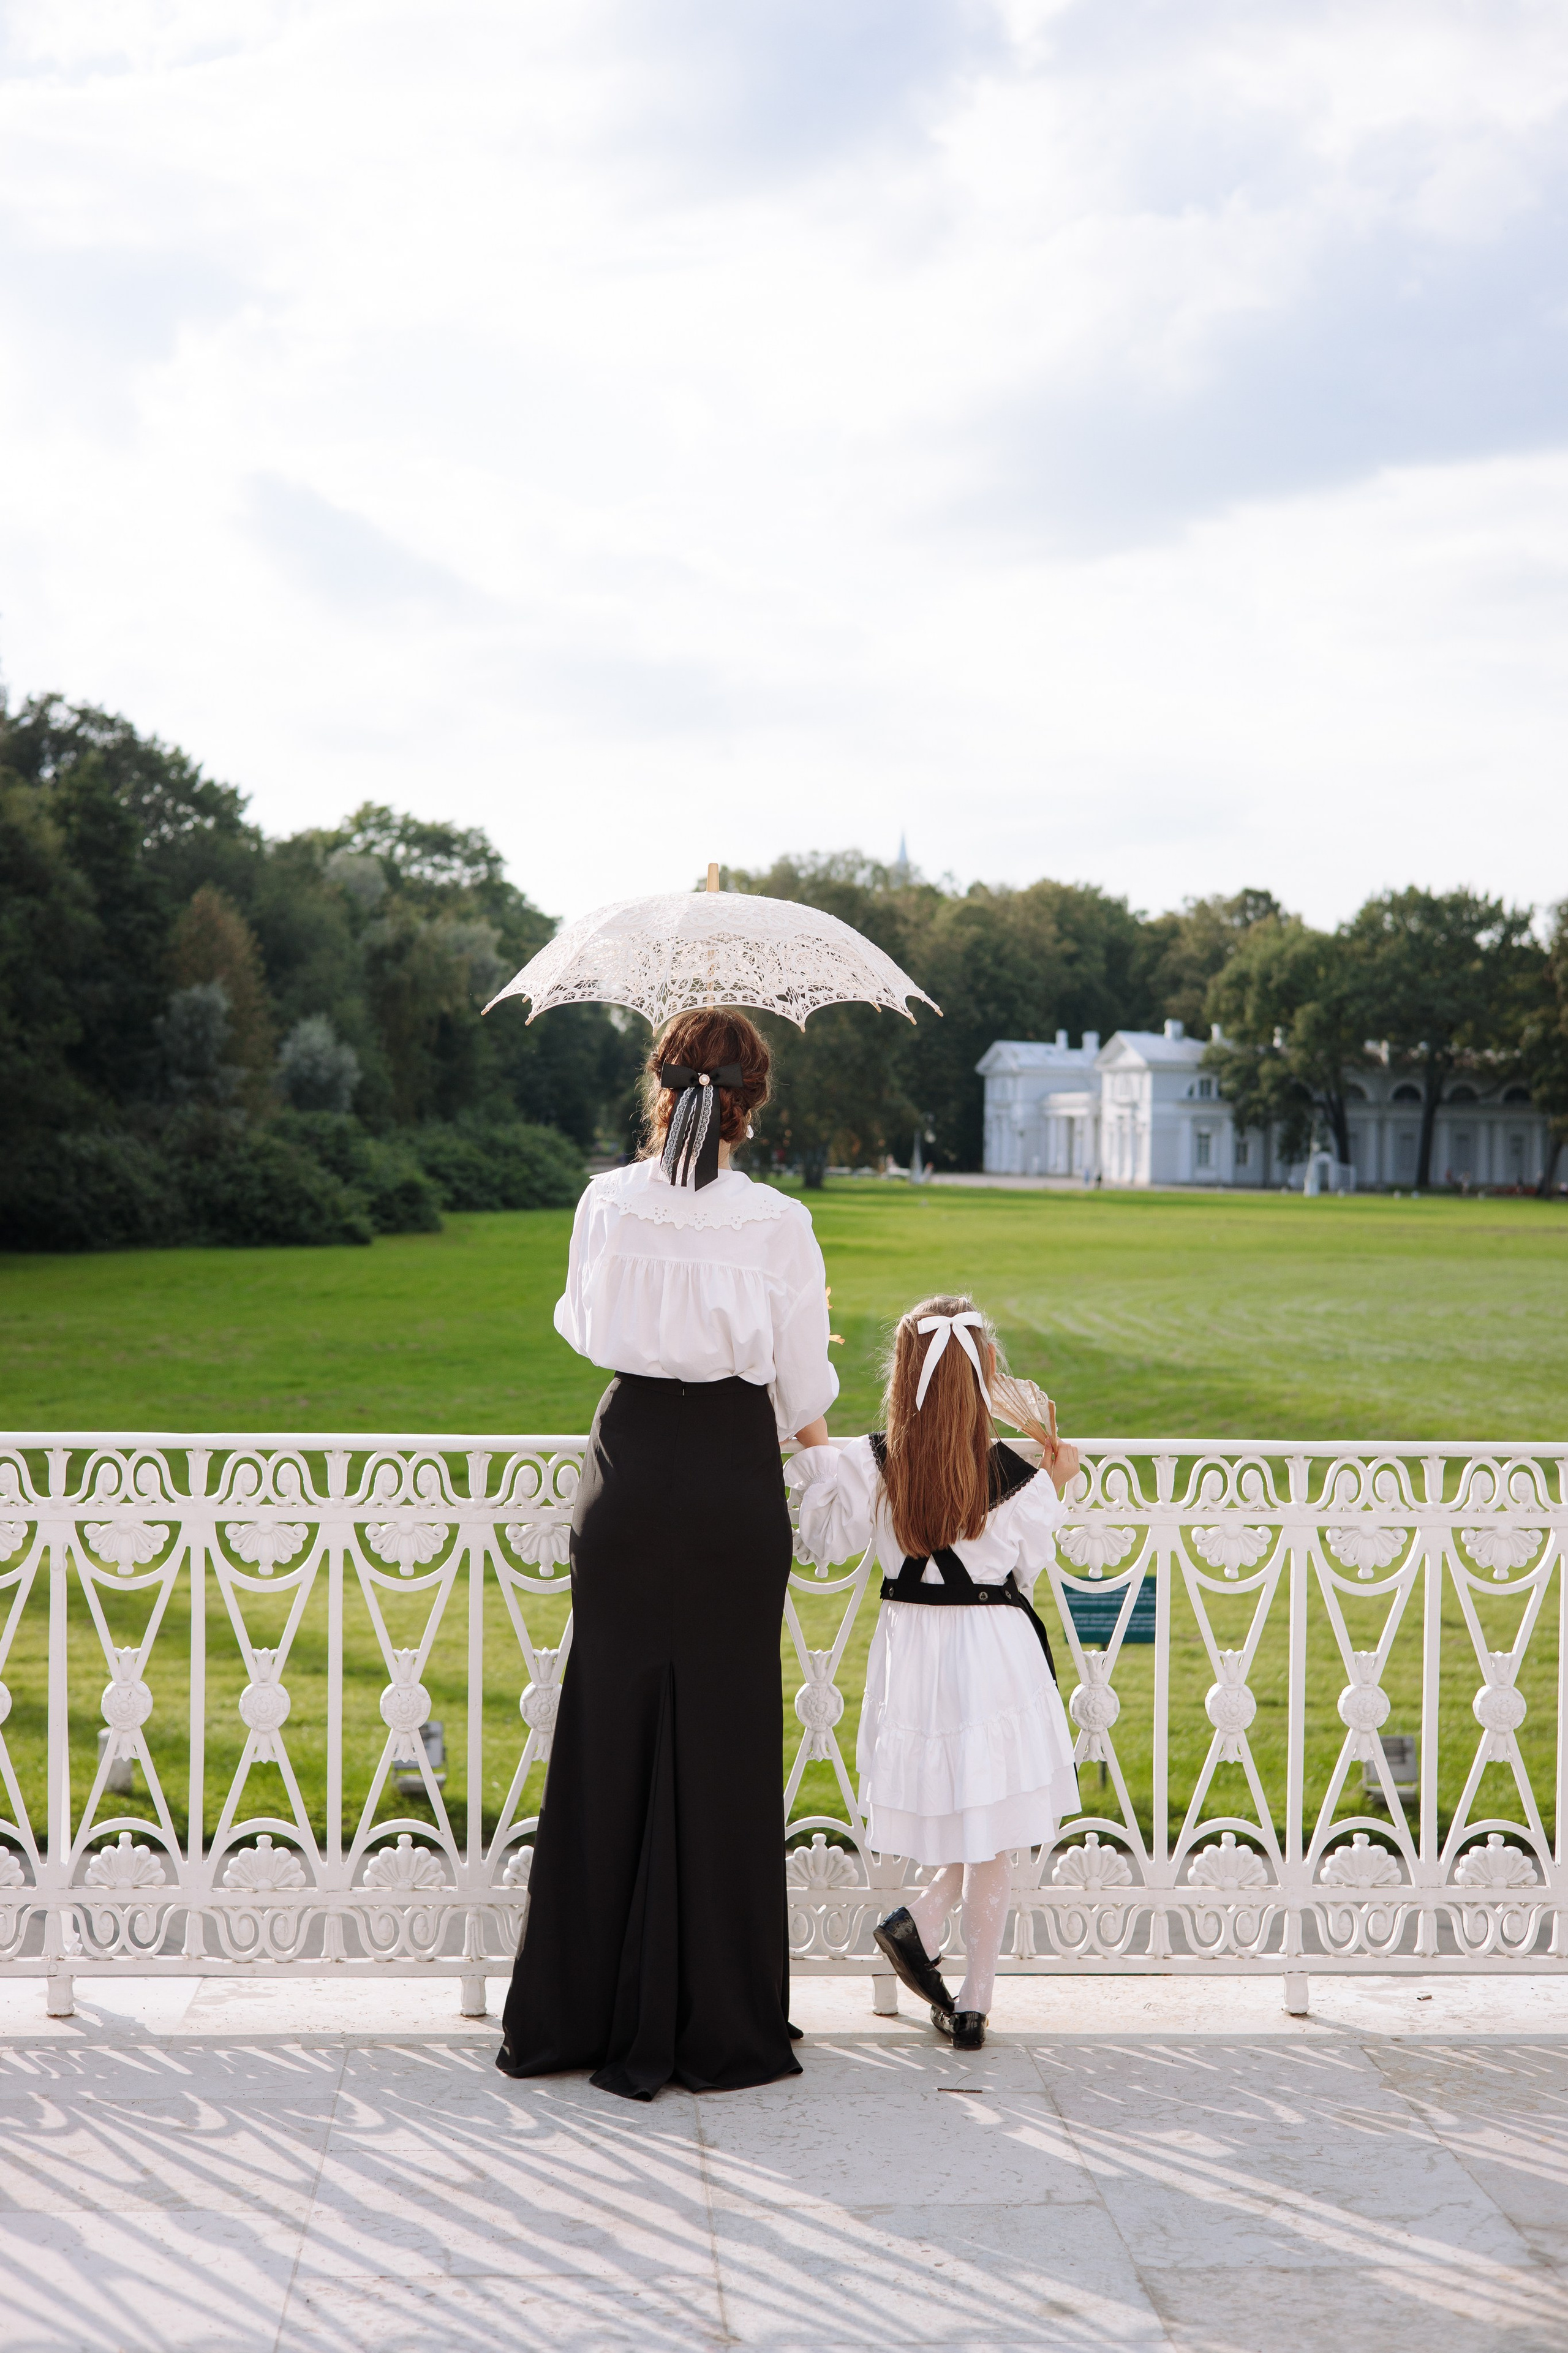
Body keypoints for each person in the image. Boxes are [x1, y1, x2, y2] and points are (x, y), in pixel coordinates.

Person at [497, 1008, 837, 2101]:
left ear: (663, 1087)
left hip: (632, 1472)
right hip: (733, 1478)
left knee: (608, 1735)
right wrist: (830, 1466)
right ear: (754, 1102)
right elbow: (803, 1390)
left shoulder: (606, 1200)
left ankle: (577, 2011)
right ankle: (722, 2019)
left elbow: (580, 1323)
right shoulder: (777, 1223)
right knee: (728, 1739)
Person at [786, 1296, 1080, 2051]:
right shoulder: (1015, 1474)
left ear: (903, 1373)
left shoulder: (872, 1460)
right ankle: (970, 1994)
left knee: (972, 1818)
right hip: (993, 1650)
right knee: (992, 1828)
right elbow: (1024, 1562)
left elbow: (823, 1528)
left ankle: (926, 1920)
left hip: (915, 1652)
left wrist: (808, 1424)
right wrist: (1059, 1473)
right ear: (986, 1380)